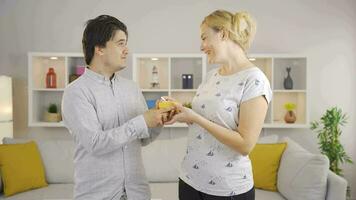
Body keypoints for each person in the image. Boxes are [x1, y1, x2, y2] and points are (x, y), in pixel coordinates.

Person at [62, 15, 173, 200]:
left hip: (138, 193)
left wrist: (159, 120)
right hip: (98, 195)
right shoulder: (76, 92)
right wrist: (143, 120)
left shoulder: (132, 88)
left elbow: (142, 139)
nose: (126, 50)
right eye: (120, 43)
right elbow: (95, 143)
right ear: (99, 49)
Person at [165, 10, 272, 200]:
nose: (201, 46)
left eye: (205, 38)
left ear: (223, 34)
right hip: (190, 180)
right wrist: (182, 113)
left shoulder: (254, 80)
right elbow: (206, 120)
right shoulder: (212, 75)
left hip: (226, 189)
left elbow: (245, 144)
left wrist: (195, 117)